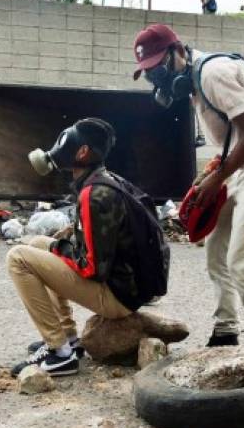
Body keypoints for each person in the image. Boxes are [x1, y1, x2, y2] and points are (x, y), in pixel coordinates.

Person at [132, 24, 244, 362]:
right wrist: (208, 177)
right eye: (148, 72)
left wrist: (218, 178)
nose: (156, 78)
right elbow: (235, 139)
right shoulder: (197, 84)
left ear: (177, 51)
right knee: (216, 248)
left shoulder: (213, 73)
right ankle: (226, 330)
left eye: (158, 67)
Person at [8, 118, 160, 377]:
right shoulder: (105, 180)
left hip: (116, 296)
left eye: (66, 142)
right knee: (37, 244)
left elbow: (92, 268)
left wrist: (60, 246)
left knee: (18, 257)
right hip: (128, 285)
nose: (58, 148)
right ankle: (69, 339)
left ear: (82, 152)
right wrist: (67, 238)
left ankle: (59, 353)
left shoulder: (94, 193)